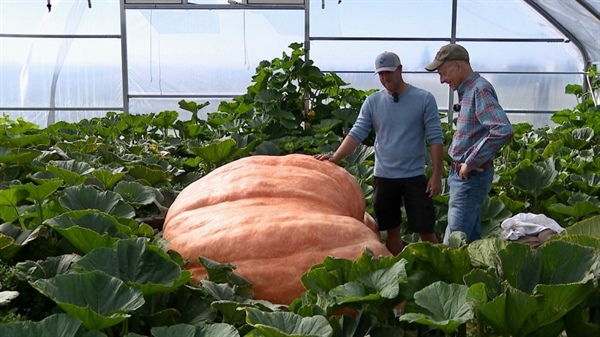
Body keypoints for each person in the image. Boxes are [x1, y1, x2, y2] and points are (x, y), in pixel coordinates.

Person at [315, 51, 444, 255]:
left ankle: (440, 267)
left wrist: (437, 175)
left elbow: (436, 139)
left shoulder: (424, 99)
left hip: (414, 177)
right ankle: (398, 273)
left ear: (400, 70)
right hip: (384, 177)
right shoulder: (372, 102)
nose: (385, 79)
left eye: (388, 73)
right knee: (391, 233)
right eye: (381, 74)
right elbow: (357, 133)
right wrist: (335, 157)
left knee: (426, 231)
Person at [425, 43, 514, 244]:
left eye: (443, 72)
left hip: (470, 177)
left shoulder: (479, 90)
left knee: (454, 241)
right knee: (470, 239)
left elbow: (502, 129)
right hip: (465, 177)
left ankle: (451, 275)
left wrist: (471, 161)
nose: (441, 80)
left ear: (458, 65)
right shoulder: (468, 91)